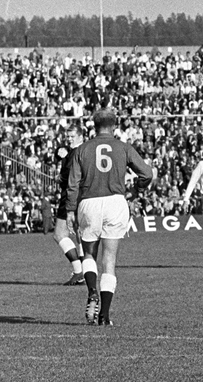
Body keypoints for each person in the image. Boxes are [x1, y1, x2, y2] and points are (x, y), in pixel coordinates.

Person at [64, 109, 153, 326]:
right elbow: (147, 174)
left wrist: (69, 211)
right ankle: (104, 314)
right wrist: (135, 190)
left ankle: (92, 290)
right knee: (109, 260)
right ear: (114, 126)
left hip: (89, 202)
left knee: (89, 255)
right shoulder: (123, 147)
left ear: (93, 126)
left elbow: (72, 184)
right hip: (115, 201)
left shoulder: (82, 149)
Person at [52, 126, 85, 285]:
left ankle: (78, 271)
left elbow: (69, 176)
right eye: (68, 136)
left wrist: (60, 178)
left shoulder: (75, 153)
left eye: (72, 136)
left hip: (69, 197)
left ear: (79, 136)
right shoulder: (83, 150)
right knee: (81, 236)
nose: (69, 138)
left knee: (59, 234)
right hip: (81, 197)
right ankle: (86, 272)